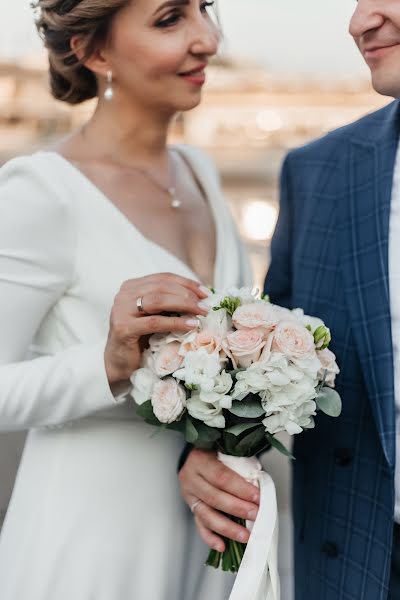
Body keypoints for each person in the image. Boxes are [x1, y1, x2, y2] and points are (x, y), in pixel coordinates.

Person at [0, 1, 259, 598]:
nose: (207, 40)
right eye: (170, 19)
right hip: (88, 543)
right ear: (95, 53)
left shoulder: (200, 173)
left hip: (201, 538)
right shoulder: (43, 192)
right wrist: (108, 364)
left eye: (205, 10)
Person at [179, 1, 400, 598]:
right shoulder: (316, 173)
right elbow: (268, 369)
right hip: (356, 568)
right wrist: (207, 451)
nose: (360, 22)